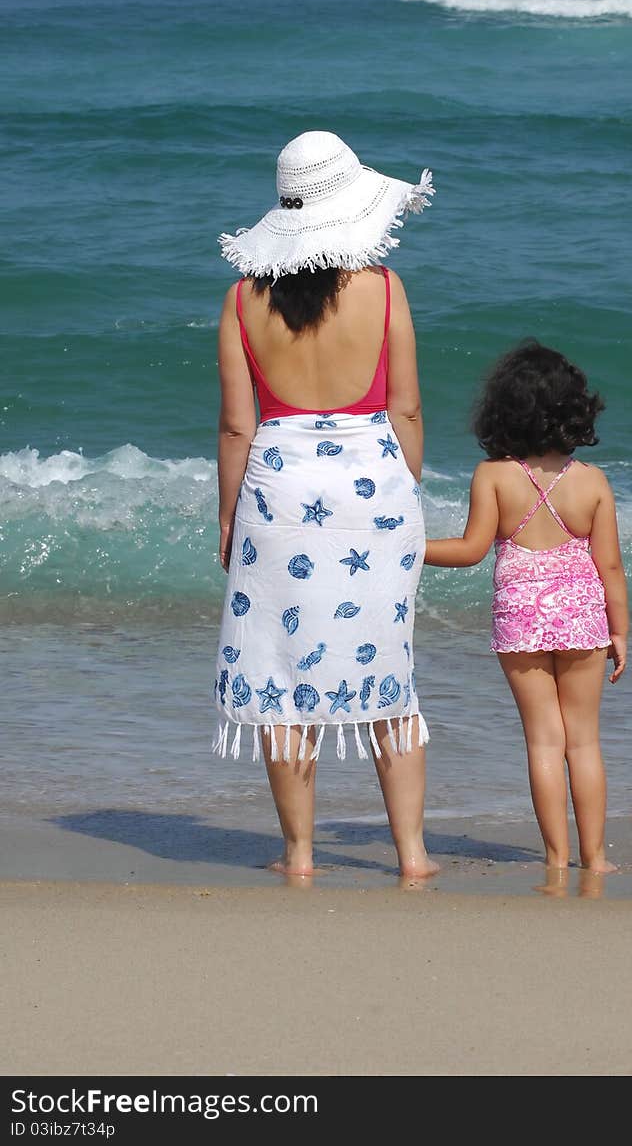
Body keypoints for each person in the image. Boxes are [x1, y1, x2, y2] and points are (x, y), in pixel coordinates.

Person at [213, 129, 439, 879]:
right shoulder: (383, 287)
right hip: (373, 488)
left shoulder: (243, 299)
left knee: (281, 675)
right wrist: (399, 493)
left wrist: (227, 515)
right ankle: (411, 855)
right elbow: (405, 409)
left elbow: (238, 424)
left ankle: (301, 854)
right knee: (389, 669)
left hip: (278, 490)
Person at [425, 342, 628, 873]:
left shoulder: (493, 475)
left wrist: (411, 548)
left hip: (519, 614)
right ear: (574, 409)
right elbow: (610, 568)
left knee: (543, 739)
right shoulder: (592, 482)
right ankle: (597, 858)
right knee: (583, 742)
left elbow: (471, 551)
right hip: (584, 613)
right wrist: (620, 631)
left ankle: (556, 859)